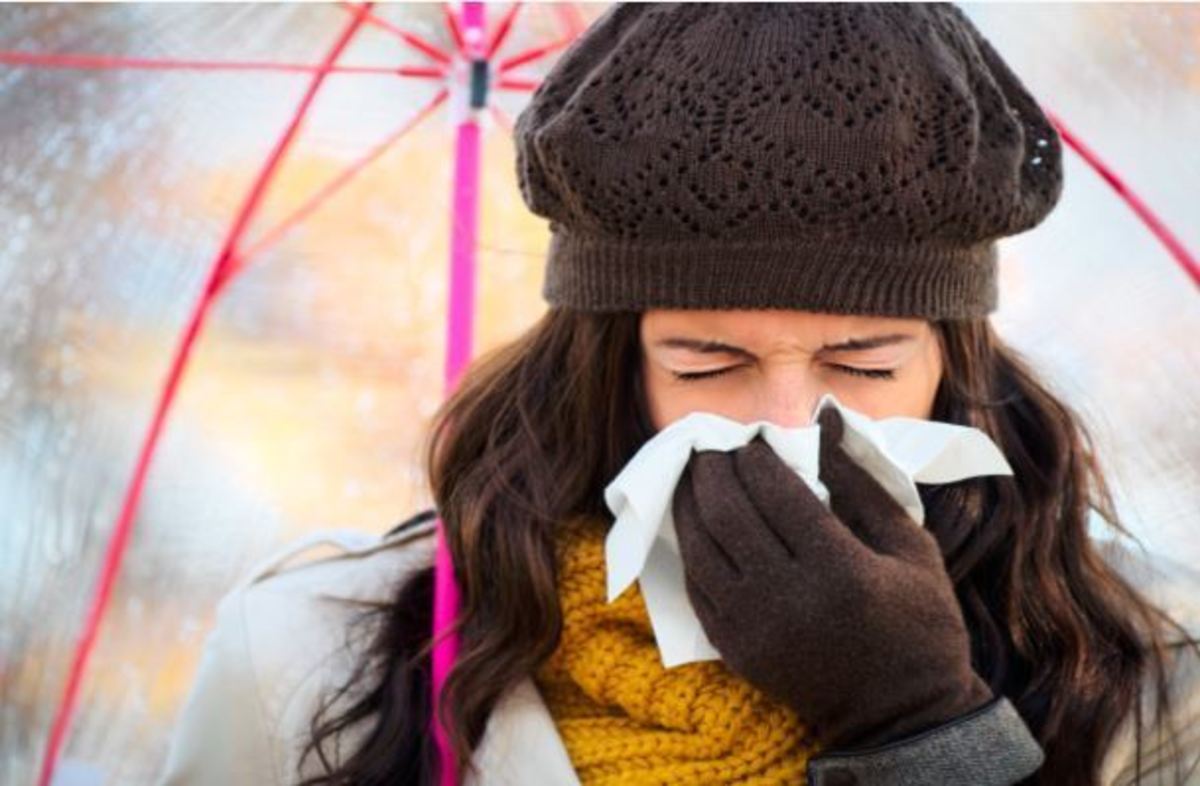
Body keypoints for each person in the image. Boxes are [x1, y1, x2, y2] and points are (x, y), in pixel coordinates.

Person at [157, 4, 1200, 785]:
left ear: (955, 365)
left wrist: (923, 725)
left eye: (866, 366)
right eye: (707, 365)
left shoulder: (1150, 668)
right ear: (607, 369)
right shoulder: (310, 654)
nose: (788, 425)